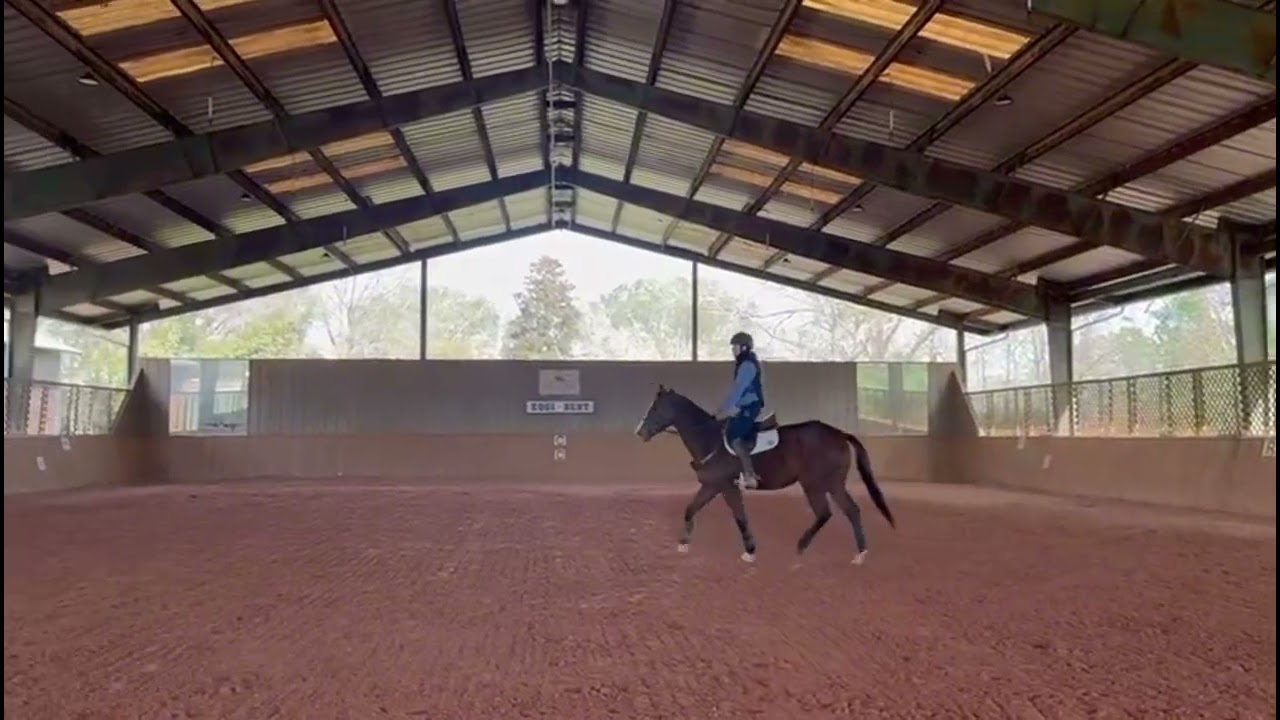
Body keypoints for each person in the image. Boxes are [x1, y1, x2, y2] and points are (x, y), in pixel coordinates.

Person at [715, 331, 765, 490]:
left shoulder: (747, 365)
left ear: (744, 347)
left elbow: (738, 389)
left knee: (735, 436)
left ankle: (750, 476)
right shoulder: (745, 363)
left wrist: (724, 408)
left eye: (735, 347)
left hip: (750, 407)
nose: (733, 350)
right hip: (746, 406)